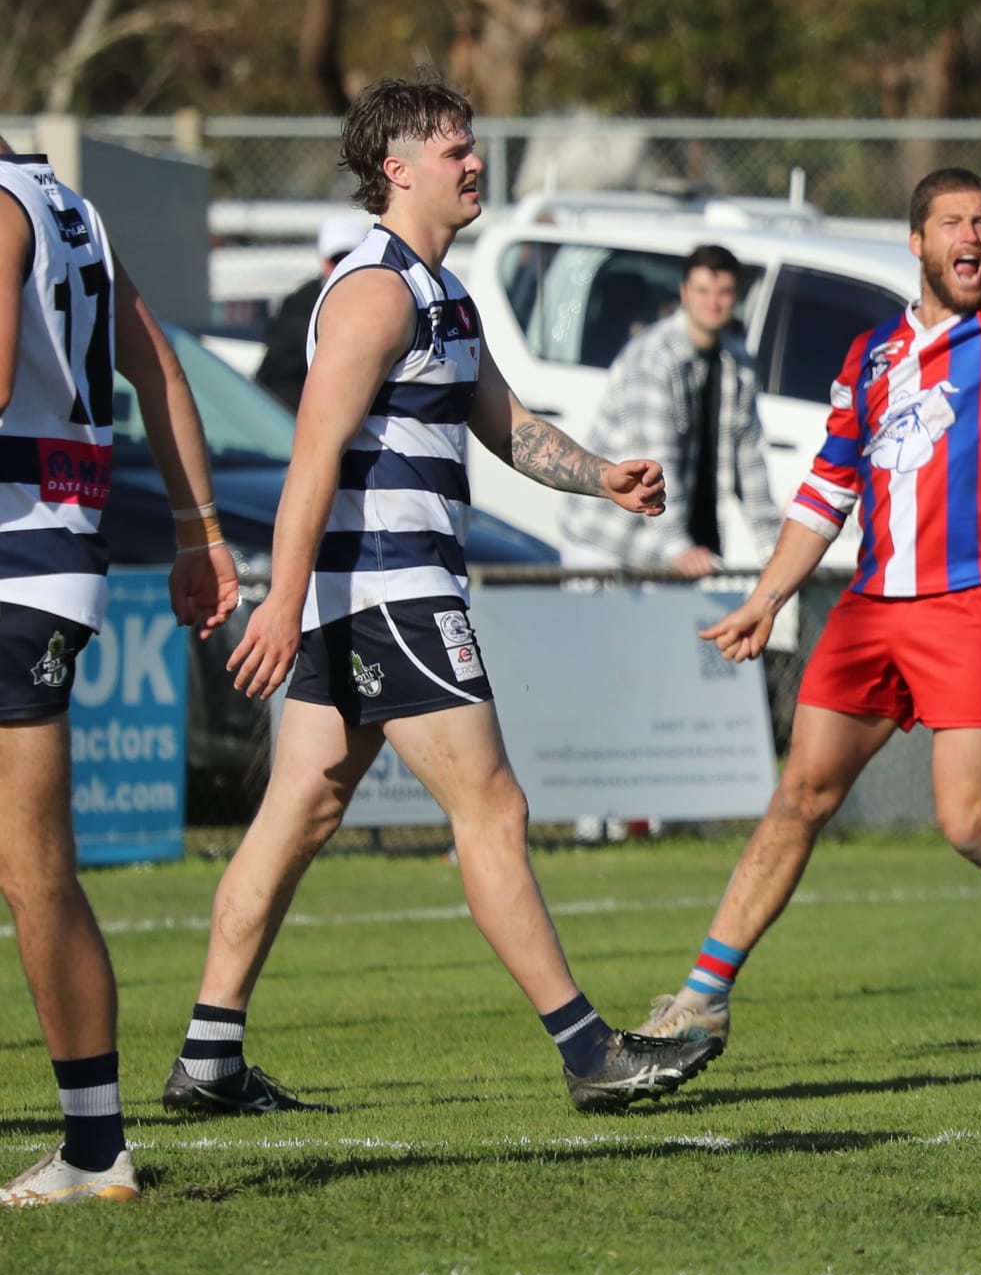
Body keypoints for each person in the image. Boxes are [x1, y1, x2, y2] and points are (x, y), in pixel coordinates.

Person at [160, 76, 715, 1119]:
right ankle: (588, 1050)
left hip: (373, 593)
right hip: (390, 591)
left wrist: (600, 475)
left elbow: (507, 425)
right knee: (493, 808)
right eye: (453, 149)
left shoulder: (442, 294)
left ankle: (209, 1057)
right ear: (397, 169)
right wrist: (281, 599)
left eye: (471, 143)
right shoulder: (375, 292)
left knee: (296, 816)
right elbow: (312, 455)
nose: (473, 161)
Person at [638, 3, 981, 1068]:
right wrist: (769, 595)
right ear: (917, 243)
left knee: (969, 823)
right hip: (870, 610)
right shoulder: (869, 358)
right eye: (953, 223)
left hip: (971, 604)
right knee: (799, 794)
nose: (973, 237)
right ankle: (702, 999)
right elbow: (824, 494)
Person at [0, 139, 239, 1205]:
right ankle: (95, 1148)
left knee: (34, 868)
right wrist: (200, 533)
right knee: (35, 867)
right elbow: (163, 369)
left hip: (10, 559)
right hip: (52, 563)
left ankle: (97, 1147)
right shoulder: (69, 209)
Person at [560, 243, 780, 577]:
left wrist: (774, 550)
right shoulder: (653, 358)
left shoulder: (739, 364)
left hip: (666, 546)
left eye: (723, 292)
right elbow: (652, 460)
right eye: (703, 291)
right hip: (608, 541)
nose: (713, 302)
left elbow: (750, 463)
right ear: (685, 293)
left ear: (736, 296)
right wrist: (679, 546)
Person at [256, 212, 373, 410]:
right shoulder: (298, 308)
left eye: (351, 259)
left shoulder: (387, 301)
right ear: (323, 262)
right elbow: (274, 381)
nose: (343, 267)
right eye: (337, 260)